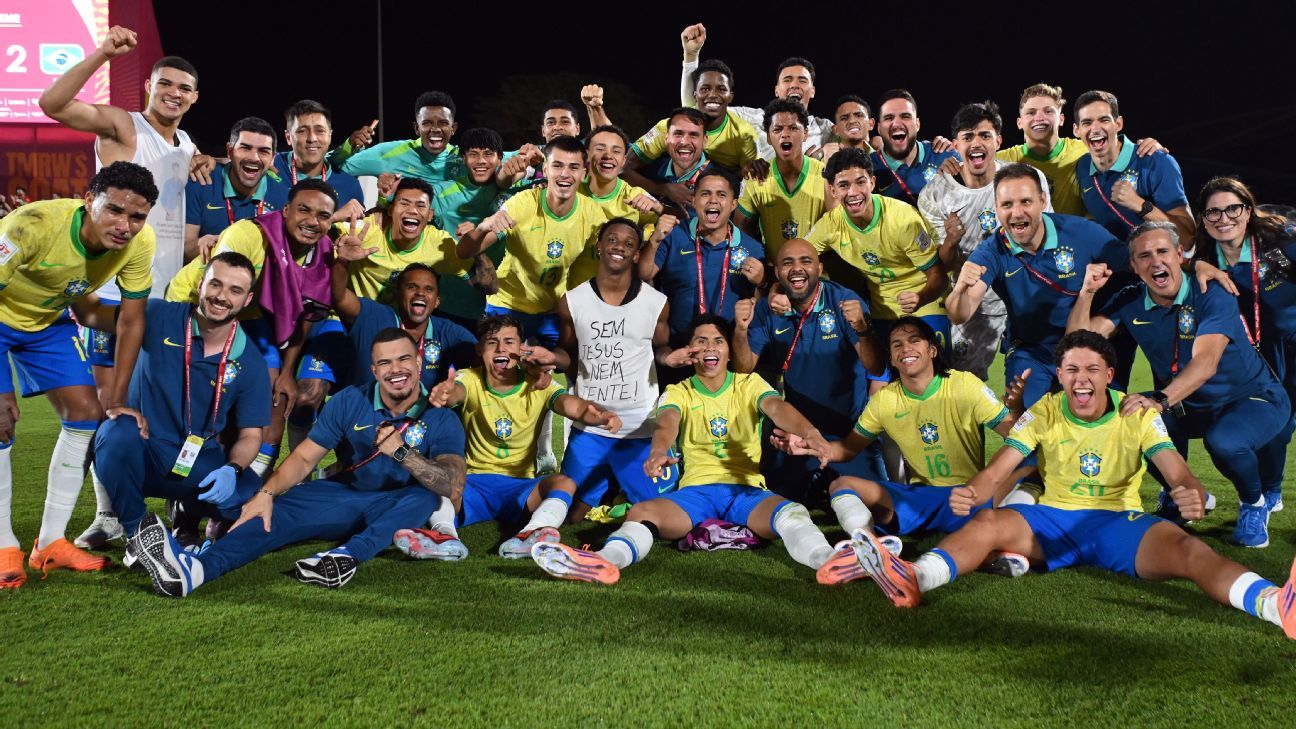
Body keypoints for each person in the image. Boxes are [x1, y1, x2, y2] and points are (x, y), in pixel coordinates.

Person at [849, 330, 1296, 645]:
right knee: (987, 523)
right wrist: (975, 489)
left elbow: (1176, 470)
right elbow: (1001, 466)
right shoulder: (1044, 410)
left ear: (1109, 374)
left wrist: (1189, 490)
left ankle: (1275, 605)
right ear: (1060, 375)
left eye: (1091, 369)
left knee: (1191, 551)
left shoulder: (1136, 412)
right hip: (1051, 520)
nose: (1081, 378)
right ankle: (915, 577)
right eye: (1071, 369)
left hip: (1118, 523)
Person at [131, 328, 468, 595]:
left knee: (425, 495)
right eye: (385, 363)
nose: (396, 370)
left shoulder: (442, 417)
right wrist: (266, 495)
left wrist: (402, 453)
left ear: (419, 363)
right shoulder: (351, 400)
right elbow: (306, 458)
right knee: (267, 516)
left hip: (398, 503)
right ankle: (195, 571)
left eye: (404, 359)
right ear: (374, 370)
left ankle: (347, 556)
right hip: (344, 495)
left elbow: (451, 485)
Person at [38, 27, 204, 549]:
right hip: (112, 296)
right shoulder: (123, 125)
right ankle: (108, 514)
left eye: (184, 88)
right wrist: (102, 54)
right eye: (165, 83)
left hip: (167, 298)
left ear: (195, 98)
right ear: (149, 86)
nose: (173, 93)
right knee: (109, 407)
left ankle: (173, 499)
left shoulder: (187, 145)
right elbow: (52, 105)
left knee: (162, 408)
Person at [530, 314, 838, 584]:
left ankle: (827, 560)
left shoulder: (749, 384)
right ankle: (605, 560)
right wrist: (658, 451)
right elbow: (667, 423)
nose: (710, 347)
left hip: (746, 492)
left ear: (729, 351)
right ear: (690, 352)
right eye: (701, 341)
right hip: (695, 494)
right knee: (641, 512)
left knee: (792, 512)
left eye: (718, 341)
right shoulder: (678, 391)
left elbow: (777, 408)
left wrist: (811, 433)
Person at [1066, 222, 1290, 548]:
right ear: (1134, 266)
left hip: (1251, 398)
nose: (1155, 261)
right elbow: (1078, 343)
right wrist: (1087, 292)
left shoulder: (1211, 292)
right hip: (1191, 403)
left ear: (1180, 255)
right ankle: (1184, 493)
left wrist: (1159, 400)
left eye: (1162, 251)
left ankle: (1254, 504)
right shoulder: (1130, 300)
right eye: (1144, 256)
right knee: (1125, 419)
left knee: (1224, 441)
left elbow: (1206, 362)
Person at [772, 316, 1031, 584]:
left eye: (914, 341)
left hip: (971, 496)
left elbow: (1015, 435)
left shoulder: (965, 385)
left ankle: (995, 545)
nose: (905, 348)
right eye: (897, 345)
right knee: (841, 484)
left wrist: (1016, 409)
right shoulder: (885, 400)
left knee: (1028, 472)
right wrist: (816, 446)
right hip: (921, 499)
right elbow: (848, 449)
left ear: (932, 350)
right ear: (892, 359)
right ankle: (867, 546)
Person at [0, 162, 156, 589]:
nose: (125, 226)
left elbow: (130, 320)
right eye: (115, 210)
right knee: (1, 422)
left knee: (87, 413)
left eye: (137, 216)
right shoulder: (31, 225)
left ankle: (50, 542)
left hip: (47, 323)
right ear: (89, 201)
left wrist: (117, 397)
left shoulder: (140, 244)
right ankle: (3, 545)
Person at [394, 315, 621, 560]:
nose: (501, 348)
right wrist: (445, 393)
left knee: (564, 483)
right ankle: (445, 536)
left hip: (521, 488)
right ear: (480, 350)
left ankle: (533, 533)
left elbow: (573, 407)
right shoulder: (469, 378)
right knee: (437, 477)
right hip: (472, 484)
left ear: (521, 348)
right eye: (492, 342)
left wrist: (601, 415)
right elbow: (456, 391)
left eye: (509, 342)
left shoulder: (539, 384)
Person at [90, 253, 269, 551]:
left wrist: (233, 469)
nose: (221, 296)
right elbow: (94, 318)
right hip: (142, 448)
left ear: (247, 299)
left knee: (254, 501)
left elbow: (251, 435)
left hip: (196, 459)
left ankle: (187, 509)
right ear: (200, 284)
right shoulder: (157, 314)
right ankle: (138, 534)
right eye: (215, 284)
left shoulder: (251, 361)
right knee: (115, 432)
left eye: (235, 290)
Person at [168, 179, 341, 477]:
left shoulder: (324, 251)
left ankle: (252, 489)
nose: (313, 221)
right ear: (285, 210)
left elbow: (306, 315)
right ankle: (183, 487)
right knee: (210, 401)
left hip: (249, 318)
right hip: (194, 309)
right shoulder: (247, 235)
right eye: (304, 210)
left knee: (276, 398)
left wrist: (287, 373)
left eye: (323, 216)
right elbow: (217, 297)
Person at [519, 219, 679, 519]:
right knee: (569, 514)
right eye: (612, 240)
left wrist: (670, 357)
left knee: (662, 515)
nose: (620, 247)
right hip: (591, 427)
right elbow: (568, 355)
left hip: (639, 428)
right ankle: (608, 486)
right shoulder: (573, 301)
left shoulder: (657, 303)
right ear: (599, 246)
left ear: (636, 254)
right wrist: (551, 357)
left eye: (629, 244)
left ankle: (617, 485)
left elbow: (661, 349)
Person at [730, 238, 887, 504]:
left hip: (850, 433)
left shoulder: (843, 300)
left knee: (881, 510)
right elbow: (744, 367)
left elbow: (876, 366)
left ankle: (828, 483)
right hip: (795, 435)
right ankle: (816, 484)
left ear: (820, 268)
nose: (797, 268)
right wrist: (740, 330)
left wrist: (863, 329)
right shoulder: (767, 309)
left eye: (806, 261)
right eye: (787, 263)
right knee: (773, 508)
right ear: (777, 272)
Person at [920, 102, 1051, 379]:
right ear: (956, 145)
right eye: (967, 137)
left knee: (1039, 379)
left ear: (998, 141)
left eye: (984, 135)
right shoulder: (935, 195)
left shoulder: (1026, 179)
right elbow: (945, 265)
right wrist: (951, 240)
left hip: (1025, 297)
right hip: (974, 306)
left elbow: (1046, 237)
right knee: (963, 382)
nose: (976, 143)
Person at [1193, 177, 1296, 505]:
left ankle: (1272, 489)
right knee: (1272, 423)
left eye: (1233, 209)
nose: (1224, 218)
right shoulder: (1206, 256)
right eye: (1214, 212)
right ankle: (1268, 489)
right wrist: (1195, 263)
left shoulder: (1280, 240)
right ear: (1203, 219)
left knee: (1284, 424)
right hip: (1262, 351)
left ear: (1248, 211)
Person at [457, 136, 611, 349]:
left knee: (572, 359)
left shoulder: (593, 213)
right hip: (508, 305)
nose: (565, 174)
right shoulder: (523, 203)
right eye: (557, 166)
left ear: (583, 174)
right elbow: (464, 253)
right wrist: (483, 228)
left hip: (553, 310)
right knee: (498, 362)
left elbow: (607, 266)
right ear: (545, 170)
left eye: (573, 167)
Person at [807, 147, 948, 347]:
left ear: (872, 183)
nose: (853, 192)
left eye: (860, 182)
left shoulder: (903, 220)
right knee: (878, 367)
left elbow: (939, 276)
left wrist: (920, 298)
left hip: (926, 304)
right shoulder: (831, 225)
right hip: (881, 311)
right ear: (833, 191)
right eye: (844, 185)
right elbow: (797, 253)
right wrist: (776, 290)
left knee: (926, 362)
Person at [639, 169, 765, 351]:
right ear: (693, 200)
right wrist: (654, 240)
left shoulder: (752, 248)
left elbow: (761, 303)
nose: (713, 200)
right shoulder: (674, 234)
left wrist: (762, 282)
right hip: (679, 350)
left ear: (733, 204)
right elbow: (645, 273)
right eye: (705, 194)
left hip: (727, 353)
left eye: (721, 195)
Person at [678, 24, 834, 159]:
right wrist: (691, 56)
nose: (794, 85)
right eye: (787, 80)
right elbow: (695, 112)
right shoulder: (752, 119)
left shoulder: (826, 129)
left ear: (812, 91)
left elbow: (849, 140)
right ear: (777, 90)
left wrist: (830, 151)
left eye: (802, 80)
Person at [1073, 90, 1193, 245]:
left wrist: (1140, 205)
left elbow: (1187, 238)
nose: (1095, 129)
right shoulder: (1082, 166)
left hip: (1156, 259)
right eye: (1087, 123)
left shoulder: (1155, 161)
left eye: (1104, 120)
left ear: (1118, 124)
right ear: (1077, 130)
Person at [425, 127, 508, 329]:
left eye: (488, 154)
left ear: (500, 159)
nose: (481, 161)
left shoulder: (514, 193)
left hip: (500, 309)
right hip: (449, 308)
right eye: (473, 154)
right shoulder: (441, 193)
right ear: (463, 158)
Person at [628, 59, 758, 175]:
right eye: (705, 89)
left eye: (721, 89)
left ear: (730, 96)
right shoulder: (669, 127)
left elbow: (751, 178)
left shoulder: (744, 134)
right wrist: (662, 189)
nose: (713, 95)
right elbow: (626, 167)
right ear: (695, 95)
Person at [735, 100, 829, 259]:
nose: (785, 134)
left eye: (793, 128)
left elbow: (837, 229)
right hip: (774, 269)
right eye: (777, 129)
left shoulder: (825, 176)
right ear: (768, 137)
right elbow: (741, 227)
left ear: (805, 134)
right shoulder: (756, 177)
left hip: (817, 268)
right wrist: (761, 260)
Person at [184, 117, 287, 262]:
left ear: (272, 158)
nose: (254, 158)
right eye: (245, 148)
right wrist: (212, 245)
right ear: (229, 151)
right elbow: (185, 249)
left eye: (264, 151)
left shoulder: (284, 197)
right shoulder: (201, 182)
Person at [572, 125, 663, 285]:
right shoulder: (570, 191)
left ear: (624, 161)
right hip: (574, 292)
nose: (608, 156)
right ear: (586, 155)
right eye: (600, 149)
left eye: (616, 151)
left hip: (618, 293)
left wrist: (658, 208)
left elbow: (678, 220)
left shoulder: (636, 196)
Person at [328, 91, 464, 184]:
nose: (435, 129)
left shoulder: (464, 160)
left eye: (443, 123)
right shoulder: (391, 153)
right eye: (427, 123)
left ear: (453, 128)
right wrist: (349, 146)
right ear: (416, 128)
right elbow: (327, 166)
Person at [271, 100, 365, 212]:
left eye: (320, 131)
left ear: (329, 136)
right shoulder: (269, 166)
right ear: (288, 137)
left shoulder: (349, 186)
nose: (312, 138)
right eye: (302, 131)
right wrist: (334, 218)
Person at [621, 108, 716, 218]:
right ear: (666, 138)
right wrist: (662, 189)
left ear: (704, 141)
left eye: (693, 135)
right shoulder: (656, 163)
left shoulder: (715, 180)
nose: (684, 142)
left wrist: (658, 207)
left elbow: (700, 221)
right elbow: (622, 169)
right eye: (678, 134)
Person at [871, 90, 959, 203]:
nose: (896, 124)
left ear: (917, 124)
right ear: (879, 128)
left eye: (905, 116)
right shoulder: (867, 168)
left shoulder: (946, 155)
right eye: (888, 118)